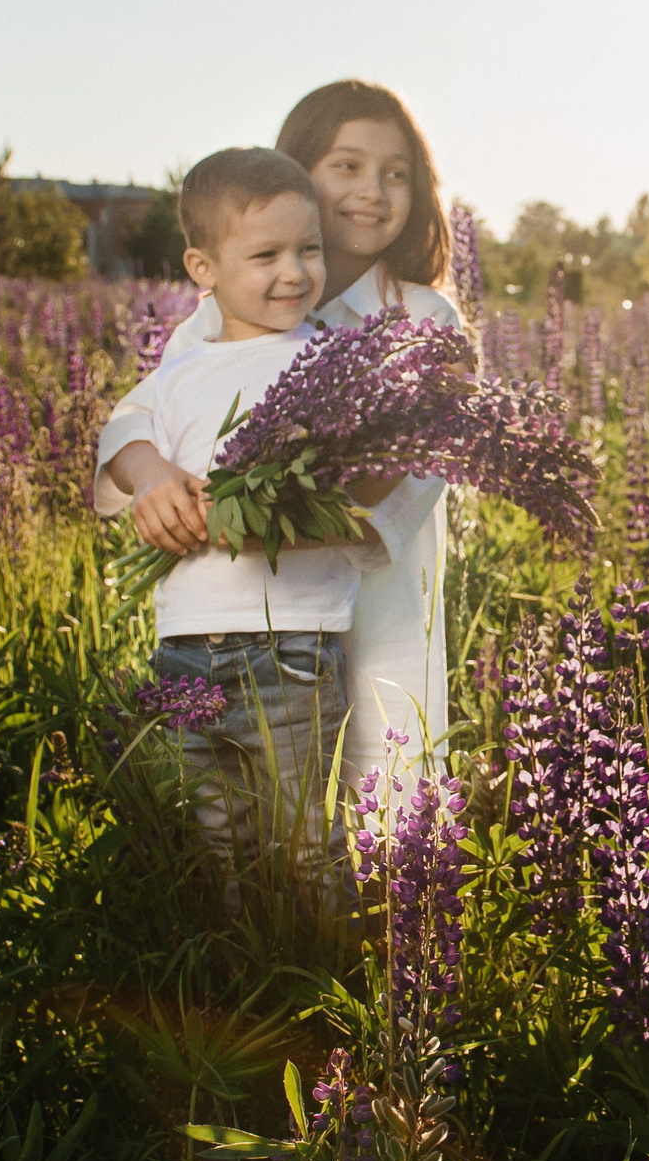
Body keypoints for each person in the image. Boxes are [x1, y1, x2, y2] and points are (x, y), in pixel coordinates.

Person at [94, 147, 396, 909]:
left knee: (306, 842)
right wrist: (149, 475)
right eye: (266, 254)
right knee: (219, 840)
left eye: (310, 250)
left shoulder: (329, 360)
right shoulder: (181, 365)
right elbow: (121, 436)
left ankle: (328, 981)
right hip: (188, 644)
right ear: (204, 267)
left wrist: (263, 519)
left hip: (292, 642)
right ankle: (242, 973)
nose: (294, 273)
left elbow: (362, 487)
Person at [170, 81, 462, 793]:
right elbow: (165, 438)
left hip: (379, 623)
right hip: (236, 632)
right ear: (295, 172)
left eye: (397, 173)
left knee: (383, 820)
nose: (374, 190)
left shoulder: (426, 320)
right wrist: (167, 490)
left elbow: (376, 503)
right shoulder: (225, 312)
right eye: (347, 165)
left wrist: (221, 518)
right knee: (249, 835)